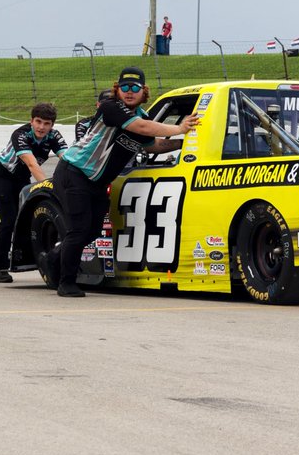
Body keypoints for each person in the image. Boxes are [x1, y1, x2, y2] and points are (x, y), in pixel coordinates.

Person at [49, 66, 199, 298]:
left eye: (135, 88)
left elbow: (153, 145)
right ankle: (65, 283)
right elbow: (139, 128)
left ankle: (54, 260)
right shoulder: (111, 107)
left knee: (91, 231)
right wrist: (179, 127)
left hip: (96, 182)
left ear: (143, 91)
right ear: (117, 90)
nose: (129, 92)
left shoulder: (143, 117)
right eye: (124, 87)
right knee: (79, 230)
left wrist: (184, 142)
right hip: (74, 172)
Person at [0, 103, 68, 284]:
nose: (41, 127)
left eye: (46, 123)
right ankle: (0, 267)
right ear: (31, 121)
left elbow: (67, 160)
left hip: (22, 177)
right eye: (38, 122)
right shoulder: (21, 134)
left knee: (22, 220)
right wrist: (49, 188)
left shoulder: (54, 136)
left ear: (52, 125)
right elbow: (32, 164)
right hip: (3, 176)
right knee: (9, 220)